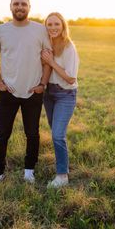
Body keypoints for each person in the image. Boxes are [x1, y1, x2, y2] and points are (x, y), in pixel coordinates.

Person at [0, 0, 51, 190]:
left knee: (32, 134)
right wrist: (0, 84)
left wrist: (42, 85)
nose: (19, 7)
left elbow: (47, 62)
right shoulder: (0, 31)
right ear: (10, 6)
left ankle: (29, 170)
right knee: (2, 134)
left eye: (23, 4)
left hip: (33, 92)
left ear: (30, 7)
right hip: (8, 93)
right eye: (16, 4)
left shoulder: (40, 30)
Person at [41, 12, 79, 188]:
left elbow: (71, 78)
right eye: (50, 24)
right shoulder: (46, 44)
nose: (53, 28)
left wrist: (51, 61)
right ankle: (61, 161)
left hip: (65, 94)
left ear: (63, 26)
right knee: (56, 133)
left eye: (57, 24)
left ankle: (62, 176)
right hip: (49, 94)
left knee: (57, 135)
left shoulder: (69, 47)